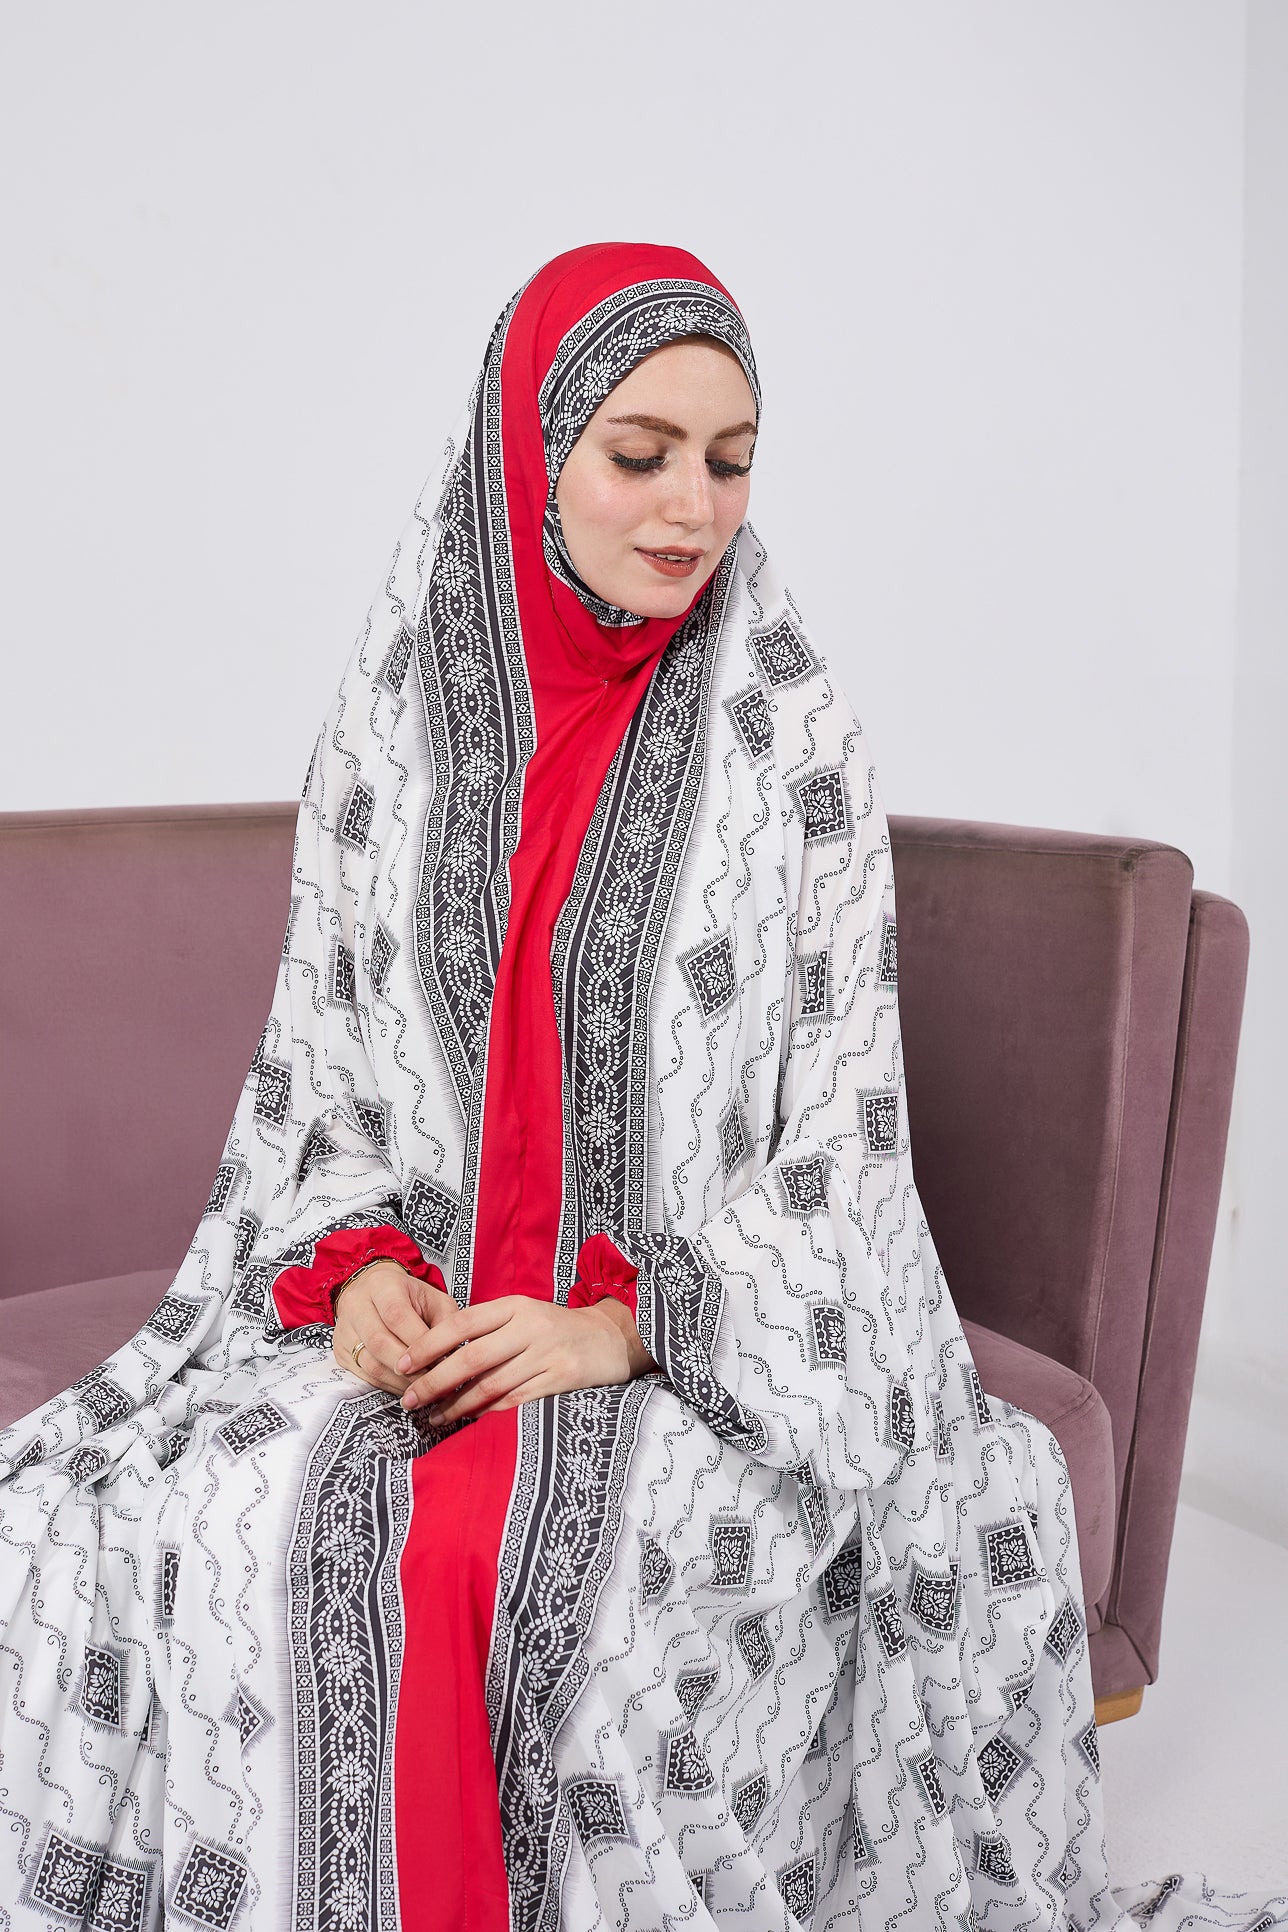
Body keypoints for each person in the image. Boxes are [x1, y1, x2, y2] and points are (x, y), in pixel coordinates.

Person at [0, 242, 1280, 1932]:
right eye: (639, 451)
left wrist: (625, 1323)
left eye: (732, 459)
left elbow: (842, 1145)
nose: (690, 507)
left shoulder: (791, 743)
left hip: (706, 1344)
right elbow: (325, 1076)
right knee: (213, 1519)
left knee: (526, 1579)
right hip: (441, 1303)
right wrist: (361, 1270)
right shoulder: (397, 727)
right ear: (527, 452)